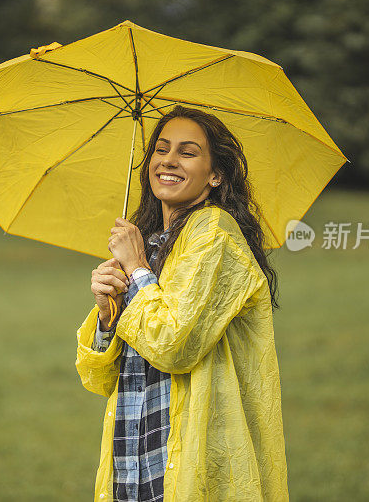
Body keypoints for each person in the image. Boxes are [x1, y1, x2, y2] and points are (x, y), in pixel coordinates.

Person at [75, 105, 289, 501]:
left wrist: (137, 268)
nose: (168, 160)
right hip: (134, 456)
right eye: (161, 149)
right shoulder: (153, 244)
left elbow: (175, 345)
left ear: (215, 174)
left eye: (187, 152)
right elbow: (100, 379)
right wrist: (107, 315)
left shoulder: (215, 234)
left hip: (190, 458)